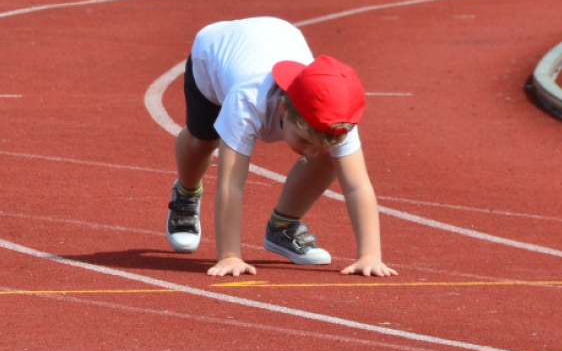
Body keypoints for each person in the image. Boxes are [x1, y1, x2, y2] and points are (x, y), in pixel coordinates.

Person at [166, 17, 396, 278]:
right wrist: (230, 255)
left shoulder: (338, 113)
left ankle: (282, 226)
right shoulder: (247, 100)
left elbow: (357, 185)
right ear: (284, 109)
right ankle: (186, 193)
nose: (308, 152)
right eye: (304, 140)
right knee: (203, 141)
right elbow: (231, 183)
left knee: (330, 156)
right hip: (212, 57)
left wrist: (370, 255)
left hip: (279, 35)